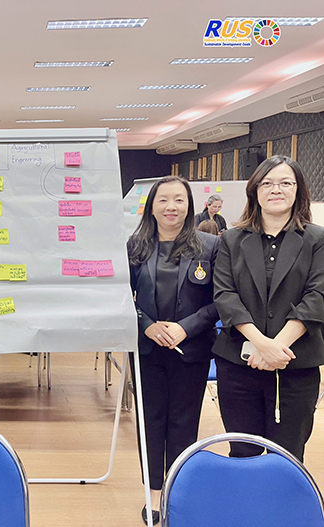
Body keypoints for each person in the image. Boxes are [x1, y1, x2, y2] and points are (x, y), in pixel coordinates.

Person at [213, 155, 324, 461]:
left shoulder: (317, 239)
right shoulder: (232, 239)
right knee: (243, 451)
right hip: (239, 365)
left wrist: (276, 348)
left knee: (288, 454)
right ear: (255, 191)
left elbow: (317, 296)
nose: (276, 189)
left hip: (295, 365)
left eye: (286, 183)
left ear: (298, 190)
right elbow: (225, 295)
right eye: (267, 183)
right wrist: (262, 345)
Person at [128, 175, 220, 525]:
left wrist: (186, 327)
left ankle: (176, 493)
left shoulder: (210, 246)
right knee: (150, 423)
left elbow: (221, 301)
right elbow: (121, 296)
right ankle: (152, 496)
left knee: (184, 422)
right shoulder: (136, 245)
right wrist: (147, 325)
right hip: (148, 351)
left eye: (179, 200)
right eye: (163, 200)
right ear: (151, 206)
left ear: (189, 205)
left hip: (191, 351)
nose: (171, 207)